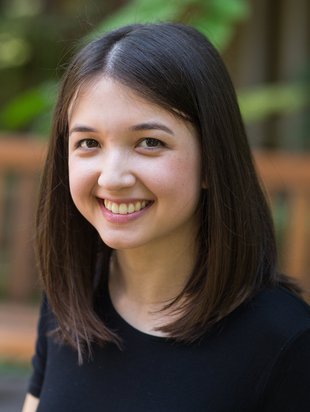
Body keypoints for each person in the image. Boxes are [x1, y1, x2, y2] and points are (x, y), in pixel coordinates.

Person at [22, 23, 310, 412]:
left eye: (150, 143)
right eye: (88, 143)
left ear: (211, 161)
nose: (112, 177)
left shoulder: (286, 342)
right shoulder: (69, 301)